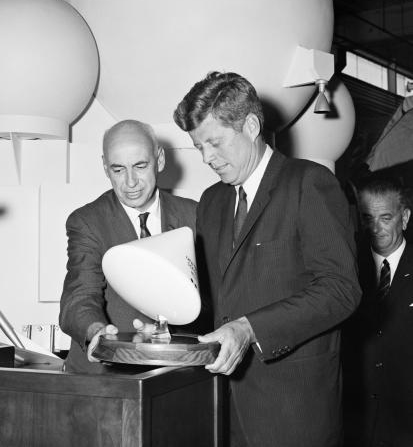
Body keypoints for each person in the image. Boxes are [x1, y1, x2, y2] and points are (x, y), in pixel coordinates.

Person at [173, 71, 361, 447]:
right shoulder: (211, 202)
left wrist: (249, 329)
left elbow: (341, 290)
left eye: (215, 142)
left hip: (293, 411)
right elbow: (215, 299)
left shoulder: (309, 182)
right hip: (223, 407)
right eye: (199, 147)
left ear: (252, 125)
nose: (207, 158)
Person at [59, 119, 197, 373]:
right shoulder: (87, 222)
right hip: (105, 376)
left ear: (160, 160)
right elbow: (79, 296)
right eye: (118, 169)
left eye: (140, 166)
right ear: (105, 167)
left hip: (173, 375)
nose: (130, 182)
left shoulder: (194, 215)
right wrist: (97, 333)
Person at [343, 177, 413, 447]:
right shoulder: (346, 268)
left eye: (386, 218)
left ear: (404, 217)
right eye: (367, 218)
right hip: (356, 419)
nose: (375, 228)